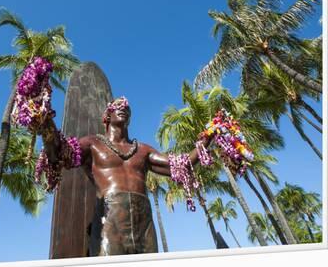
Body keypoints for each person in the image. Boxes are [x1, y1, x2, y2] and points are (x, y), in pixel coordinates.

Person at [41, 96, 212, 256]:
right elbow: (60, 152)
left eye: (127, 108)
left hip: (143, 221)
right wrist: (44, 118)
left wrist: (209, 135)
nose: (124, 107)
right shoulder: (93, 143)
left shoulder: (143, 150)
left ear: (129, 119)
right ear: (106, 116)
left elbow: (181, 164)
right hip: (110, 219)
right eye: (117, 106)